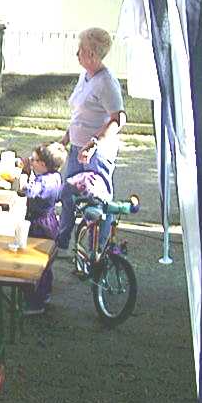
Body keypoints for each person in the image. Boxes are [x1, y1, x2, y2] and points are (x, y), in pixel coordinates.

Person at [55, 27, 126, 258]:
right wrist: (66, 138)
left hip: (97, 152)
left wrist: (95, 142)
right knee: (68, 194)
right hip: (77, 146)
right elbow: (80, 114)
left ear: (93, 55)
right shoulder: (85, 76)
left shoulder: (107, 82)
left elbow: (118, 118)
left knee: (98, 200)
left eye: (81, 49)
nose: (77, 53)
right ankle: (62, 242)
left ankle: (98, 250)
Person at [16, 142, 67, 314]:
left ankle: (35, 302)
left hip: (40, 224)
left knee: (35, 262)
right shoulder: (54, 176)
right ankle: (45, 294)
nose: (31, 161)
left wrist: (24, 173)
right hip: (49, 221)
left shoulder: (44, 182)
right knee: (45, 262)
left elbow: (27, 191)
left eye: (34, 160)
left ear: (43, 164)